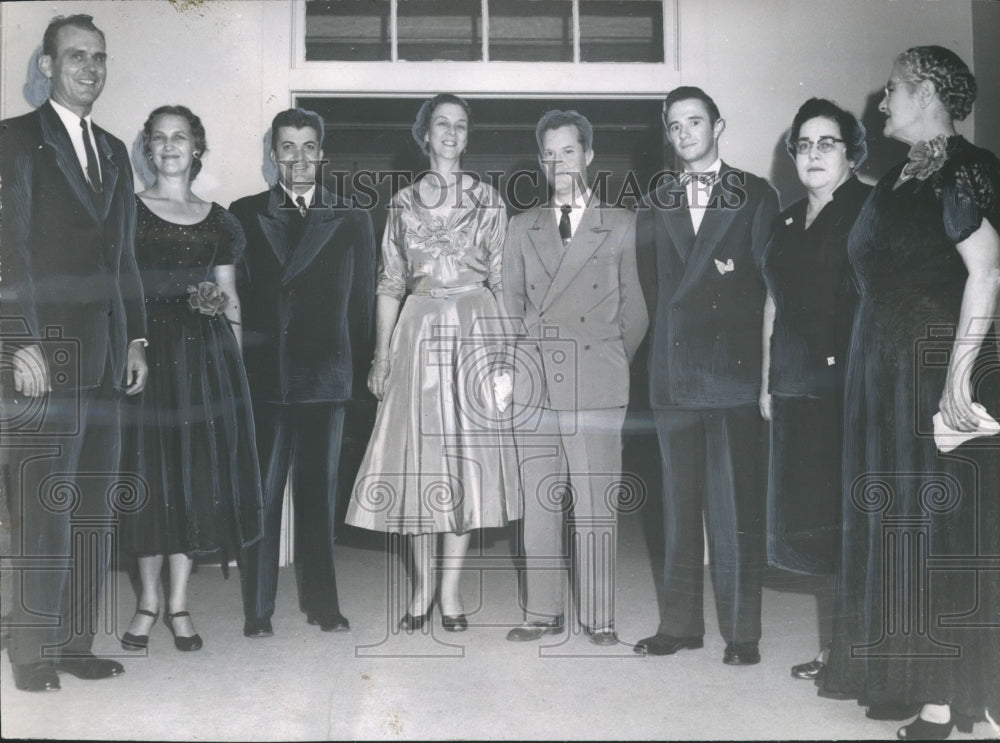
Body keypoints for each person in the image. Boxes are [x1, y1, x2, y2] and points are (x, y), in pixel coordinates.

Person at [823, 46, 1000, 740]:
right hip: (884, 369)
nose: (882, 101)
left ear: (927, 91)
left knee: (942, 532)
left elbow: (986, 272)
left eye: (893, 89)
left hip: (932, 365)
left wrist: (958, 377)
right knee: (905, 530)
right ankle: (924, 687)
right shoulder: (899, 176)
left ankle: (961, 701)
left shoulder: (965, 166)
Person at [0, 14, 148, 691]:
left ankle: (74, 642)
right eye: (75, 56)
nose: (89, 68)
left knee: (92, 503)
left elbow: (124, 255)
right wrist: (18, 339)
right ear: (47, 64)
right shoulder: (15, 140)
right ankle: (31, 651)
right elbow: (11, 250)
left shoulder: (116, 149)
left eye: (98, 57)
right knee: (42, 503)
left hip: (108, 352)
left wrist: (137, 336)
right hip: (45, 348)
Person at [345, 94, 518, 632]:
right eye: (441, 123)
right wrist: (380, 354)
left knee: (465, 463)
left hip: (474, 329)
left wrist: (504, 361)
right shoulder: (399, 204)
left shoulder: (490, 202)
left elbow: (504, 283)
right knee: (418, 463)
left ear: (468, 136)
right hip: (416, 336)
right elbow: (389, 285)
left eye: (460, 125)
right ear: (425, 134)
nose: (451, 132)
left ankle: (450, 592)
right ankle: (421, 588)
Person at [634, 86, 778, 664]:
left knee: (733, 510)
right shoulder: (657, 195)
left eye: (695, 121)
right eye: (674, 125)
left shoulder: (757, 193)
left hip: (732, 374)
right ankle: (680, 624)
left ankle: (743, 634)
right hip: (672, 373)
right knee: (676, 506)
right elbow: (652, 284)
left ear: (719, 126)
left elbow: (770, 285)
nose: (684, 133)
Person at [117, 106, 263, 653]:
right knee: (151, 474)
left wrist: (238, 369)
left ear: (196, 147)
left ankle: (178, 604)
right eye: (160, 138)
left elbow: (228, 297)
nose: (171, 145)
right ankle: (146, 602)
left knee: (191, 475)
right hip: (151, 357)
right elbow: (121, 288)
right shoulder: (128, 212)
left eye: (181, 137)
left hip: (206, 360)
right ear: (147, 150)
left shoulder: (221, 220)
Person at [502, 110, 648, 645]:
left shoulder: (623, 223)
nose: (558, 162)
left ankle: (599, 616)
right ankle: (542, 612)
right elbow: (509, 306)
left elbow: (636, 311)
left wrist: (606, 360)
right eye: (549, 154)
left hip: (597, 382)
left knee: (596, 505)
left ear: (588, 156)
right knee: (539, 502)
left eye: (568, 152)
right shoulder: (521, 228)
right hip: (535, 381)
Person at [230, 108, 376, 638]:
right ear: (274, 154)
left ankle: (323, 605)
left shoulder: (353, 216)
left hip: (325, 377)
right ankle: (258, 611)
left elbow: (361, 308)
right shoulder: (243, 214)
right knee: (262, 497)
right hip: (265, 379)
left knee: (319, 496)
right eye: (287, 147)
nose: (298, 158)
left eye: (308, 146)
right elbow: (235, 299)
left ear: (322, 153)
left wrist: (356, 377)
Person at [759, 98, 871, 679]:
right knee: (822, 526)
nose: (813, 154)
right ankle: (836, 649)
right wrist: (766, 382)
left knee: (856, 527)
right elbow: (773, 303)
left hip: (854, 389)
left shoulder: (871, 208)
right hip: (797, 388)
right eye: (803, 144)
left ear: (852, 153)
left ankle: (856, 655)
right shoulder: (785, 220)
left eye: (827, 143)